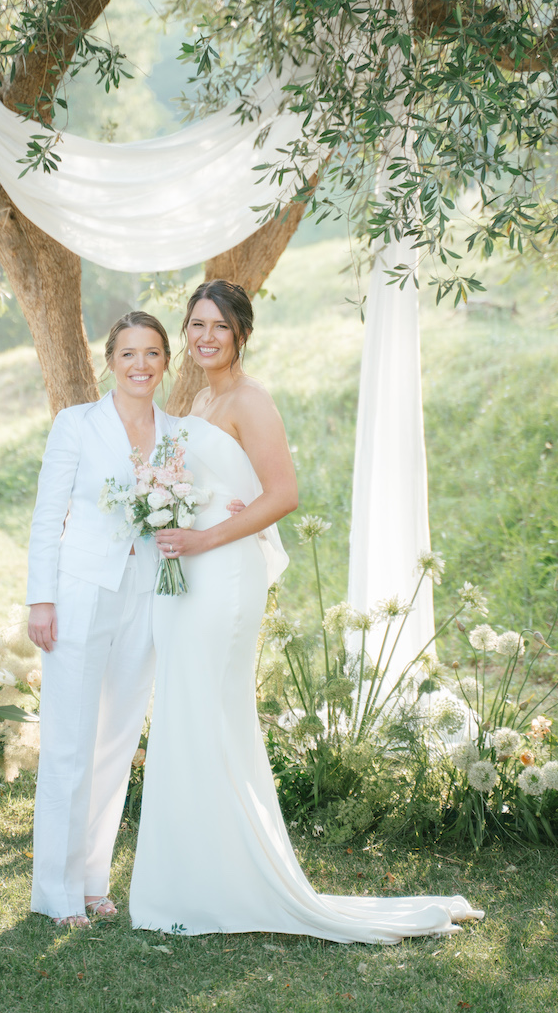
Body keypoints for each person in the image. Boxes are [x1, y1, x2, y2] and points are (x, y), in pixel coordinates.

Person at [129, 280, 483, 943]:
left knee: (212, 714)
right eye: (198, 324)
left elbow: (283, 493)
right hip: (181, 580)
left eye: (220, 328)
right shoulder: (191, 395)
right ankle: (195, 877)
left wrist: (205, 535)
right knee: (185, 714)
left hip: (222, 576)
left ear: (241, 334)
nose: (206, 337)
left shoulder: (250, 399)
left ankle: (227, 883)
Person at [26, 310, 176, 927]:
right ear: (110, 361)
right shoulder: (77, 425)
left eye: (153, 354)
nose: (141, 365)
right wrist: (42, 599)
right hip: (79, 594)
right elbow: (47, 515)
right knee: (68, 742)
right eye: (128, 354)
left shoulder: (177, 432)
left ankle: (91, 878)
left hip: (145, 598)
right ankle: (56, 893)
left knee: (116, 744)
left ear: (166, 362)